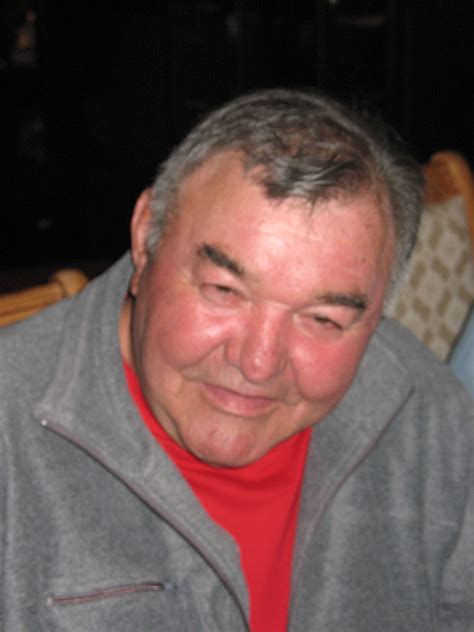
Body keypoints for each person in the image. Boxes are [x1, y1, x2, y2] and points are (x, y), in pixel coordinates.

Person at [1, 89, 472, 631]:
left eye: (322, 319)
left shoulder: (423, 408)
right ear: (146, 235)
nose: (259, 363)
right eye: (224, 290)